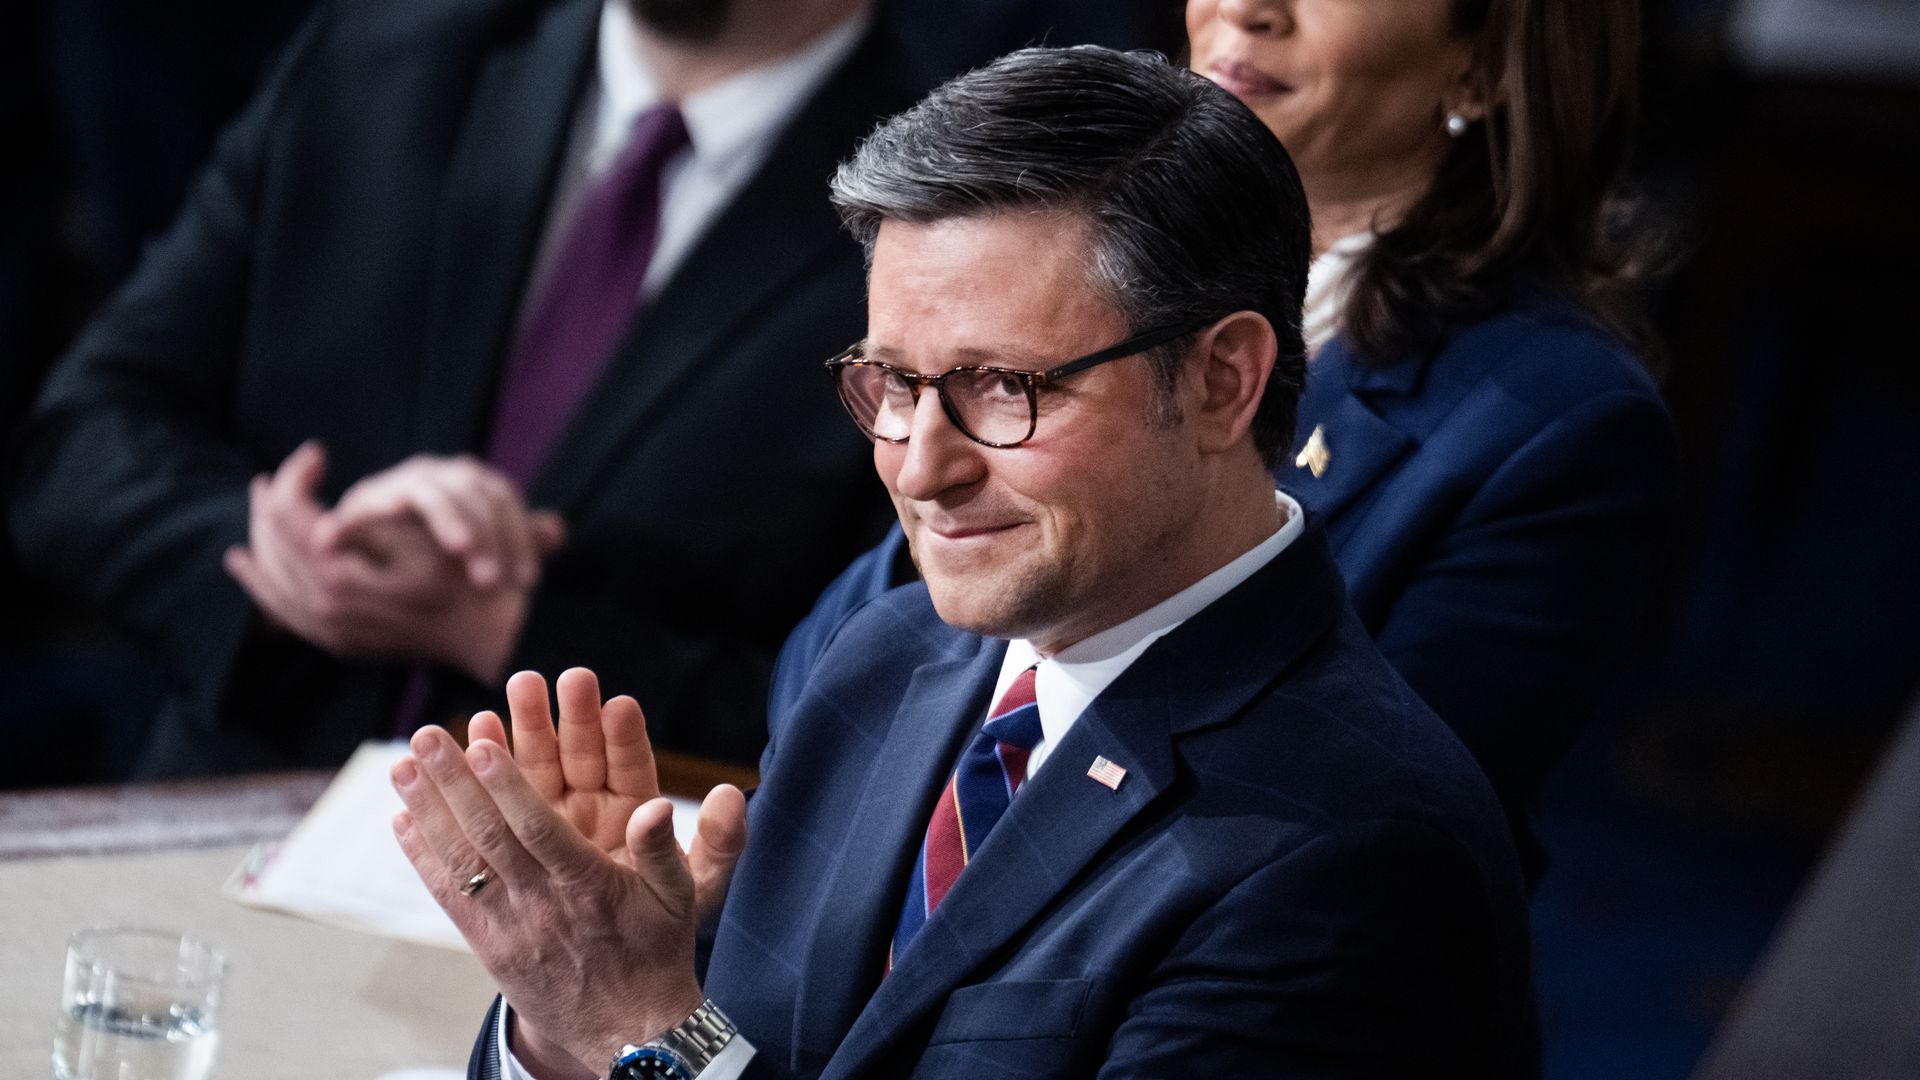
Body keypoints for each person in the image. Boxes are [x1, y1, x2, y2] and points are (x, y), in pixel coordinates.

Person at [390, 47, 1536, 1080]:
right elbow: (726, 1046)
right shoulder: (882, 660)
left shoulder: (1355, 854)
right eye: (893, 384)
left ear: (1224, 380)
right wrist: (565, 1016)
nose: (919, 468)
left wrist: (637, 1032)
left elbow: (681, 1047)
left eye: (1005, 387)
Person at [772, 0, 1678, 883]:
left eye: (1009, 384)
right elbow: (837, 684)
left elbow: (1334, 824)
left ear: (1486, 62)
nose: (1247, 10)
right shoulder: (1036, 282)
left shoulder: (1558, 421)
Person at [5, 0, 932, 776]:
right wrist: (286, 549)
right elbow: (77, 444)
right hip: (216, 842)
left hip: (625, 924)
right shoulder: (378, 61)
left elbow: (901, 707)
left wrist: (504, 629)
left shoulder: (949, 225)